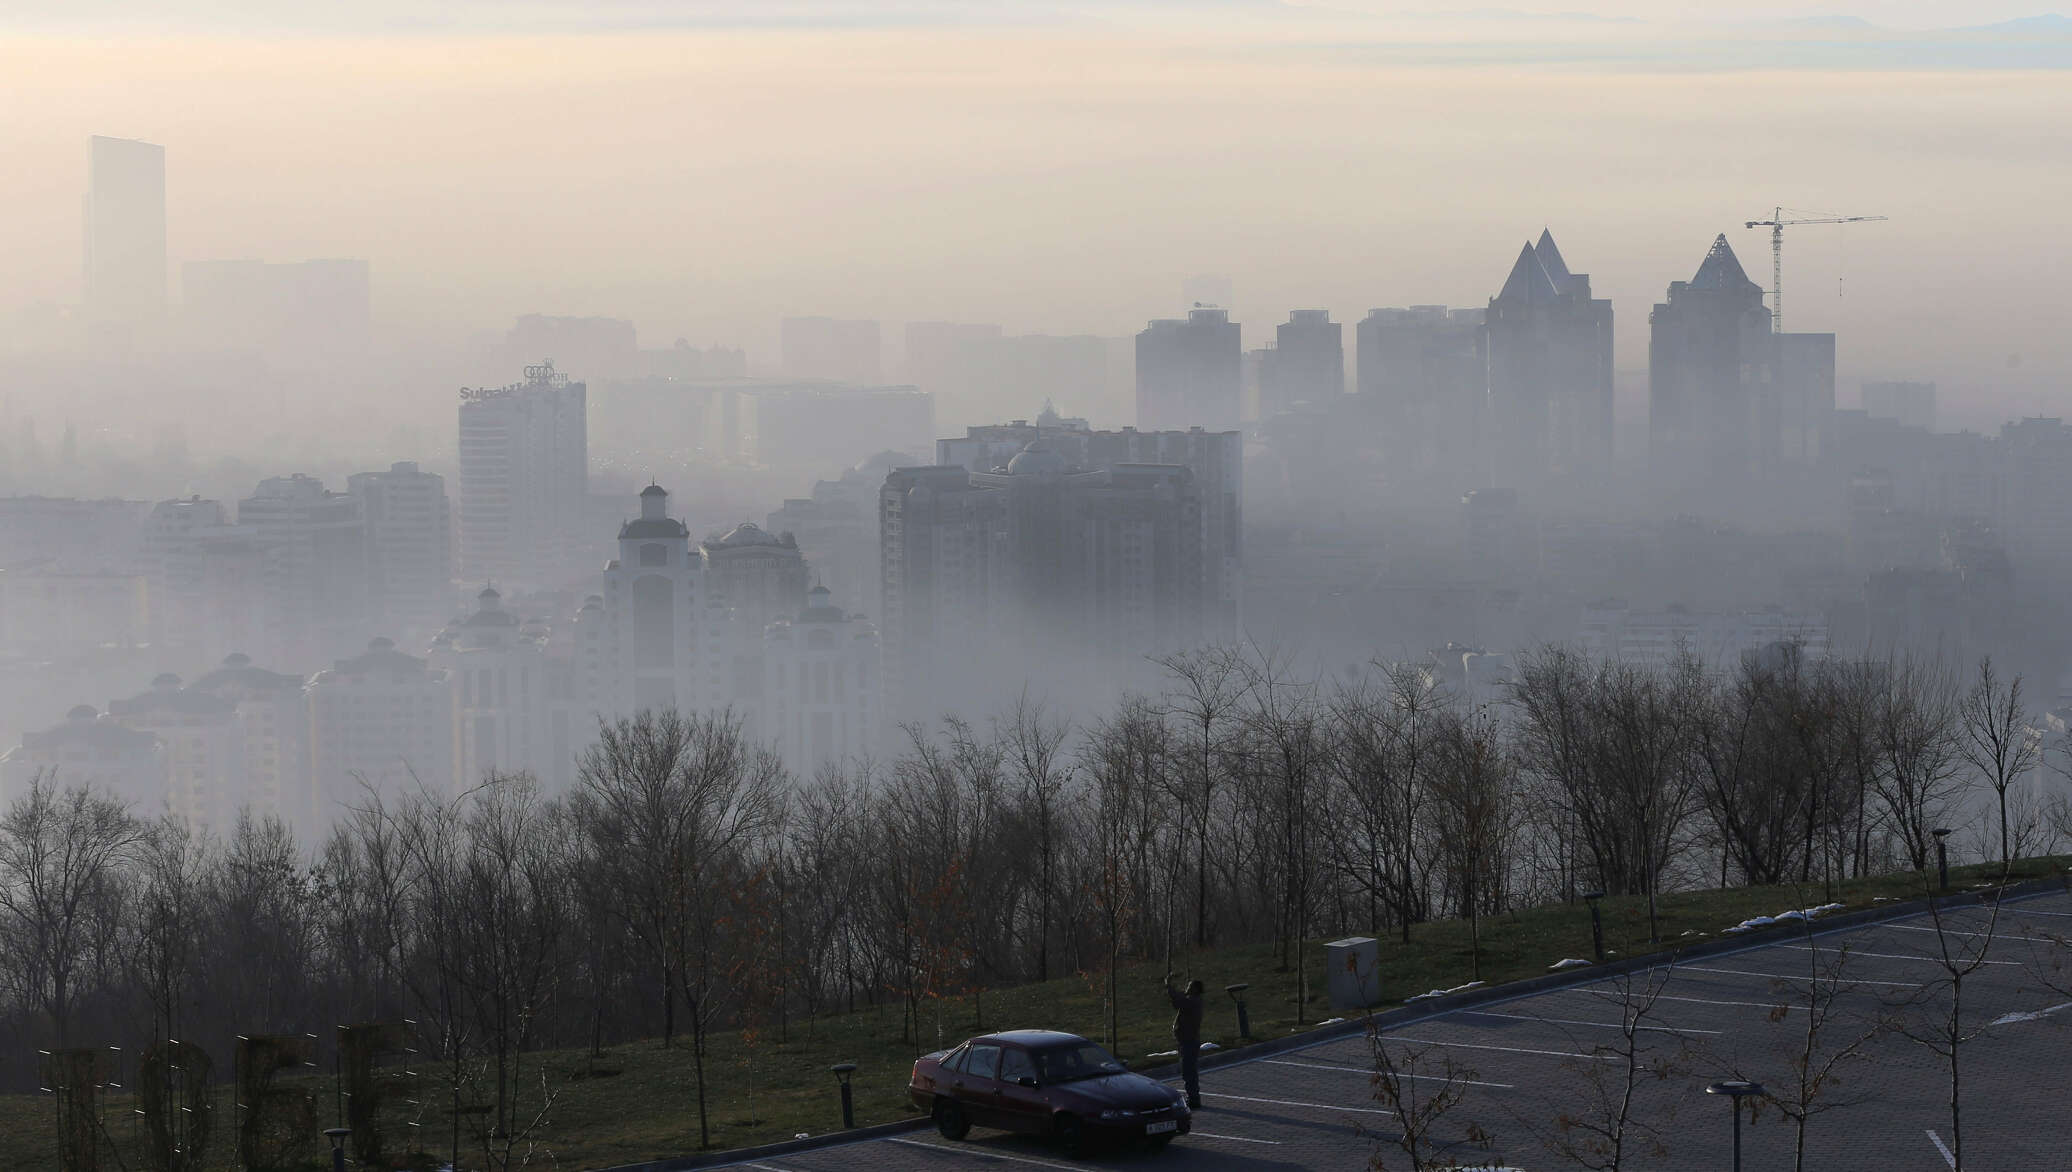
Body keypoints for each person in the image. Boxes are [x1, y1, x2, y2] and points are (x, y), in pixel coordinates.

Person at [1162, 973, 1205, 1109]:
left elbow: (1179, 1000)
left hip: (1189, 1042)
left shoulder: (1192, 1002)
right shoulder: (1193, 1000)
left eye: (1189, 986)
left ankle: (1194, 1099)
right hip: (1187, 1041)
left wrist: (1169, 986)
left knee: (1189, 1072)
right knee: (1189, 1071)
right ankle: (1193, 1097)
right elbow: (1180, 999)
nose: (1187, 988)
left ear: (1195, 990)